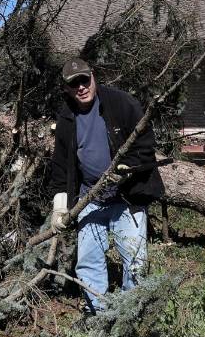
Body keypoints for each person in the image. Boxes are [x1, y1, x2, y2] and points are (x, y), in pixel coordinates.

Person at [49, 57, 165, 312]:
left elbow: (145, 143)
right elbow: (61, 165)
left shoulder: (120, 103)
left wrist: (127, 168)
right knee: (88, 261)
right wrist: (60, 206)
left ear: (93, 77)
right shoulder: (67, 118)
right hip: (90, 199)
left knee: (135, 261)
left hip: (127, 197)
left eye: (84, 79)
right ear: (67, 88)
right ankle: (97, 314)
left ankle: (129, 313)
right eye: (74, 83)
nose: (81, 87)